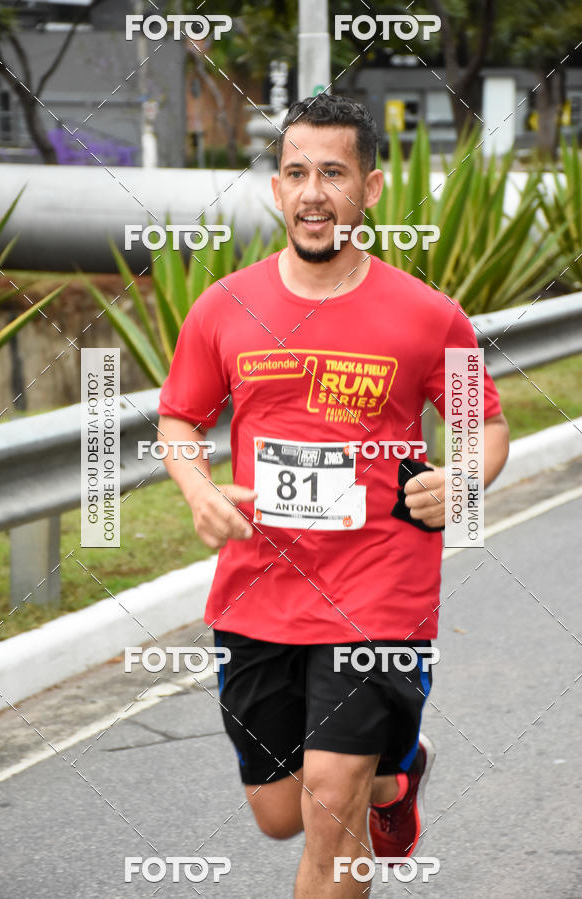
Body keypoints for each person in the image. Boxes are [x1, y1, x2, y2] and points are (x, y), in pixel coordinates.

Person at [157, 93, 510, 897]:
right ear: (277, 190)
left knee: (326, 803)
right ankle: (398, 775)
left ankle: (367, 779)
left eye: (333, 173)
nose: (313, 192)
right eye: (296, 173)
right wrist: (195, 486)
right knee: (280, 813)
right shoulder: (225, 306)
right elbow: (179, 415)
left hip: (380, 589)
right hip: (258, 590)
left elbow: (484, 426)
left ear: (371, 188)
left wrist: (462, 483)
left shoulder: (428, 316)